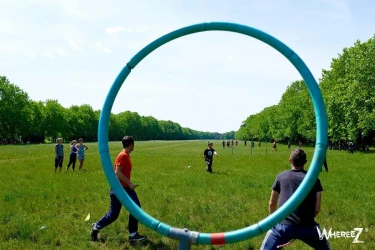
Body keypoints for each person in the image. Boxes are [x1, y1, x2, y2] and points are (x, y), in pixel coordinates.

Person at [260, 148, 331, 250]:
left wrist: (273, 222)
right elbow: (317, 209)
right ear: (305, 162)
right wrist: (305, 221)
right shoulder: (315, 179)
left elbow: (272, 203)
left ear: (290, 160)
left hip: (283, 227)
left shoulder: (281, 177)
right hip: (309, 227)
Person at [91, 136, 147, 243]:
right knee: (118, 213)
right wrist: (130, 183)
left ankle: (133, 234)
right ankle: (96, 228)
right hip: (121, 189)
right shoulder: (123, 155)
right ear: (131, 144)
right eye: (133, 144)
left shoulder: (125, 155)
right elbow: (118, 172)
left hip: (122, 188)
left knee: (130, 210)